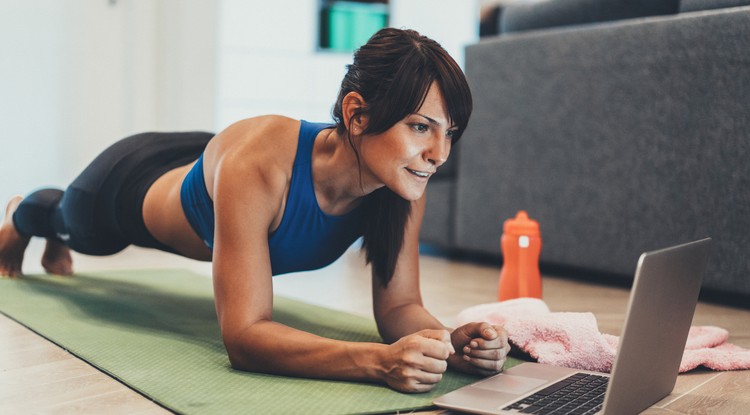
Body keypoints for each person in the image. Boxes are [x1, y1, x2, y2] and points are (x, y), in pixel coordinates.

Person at [0, 28, 509, 393]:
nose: (439, 154)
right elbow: (244, 337)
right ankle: (23, 215)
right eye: (421, 127)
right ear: (357, 114)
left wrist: (450, 341)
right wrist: (376, 362)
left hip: (211, 163)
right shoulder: (263, 166)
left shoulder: (397, 183)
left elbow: (398, 309)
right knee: (72, 224)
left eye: (450, 133)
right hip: (129, 185)